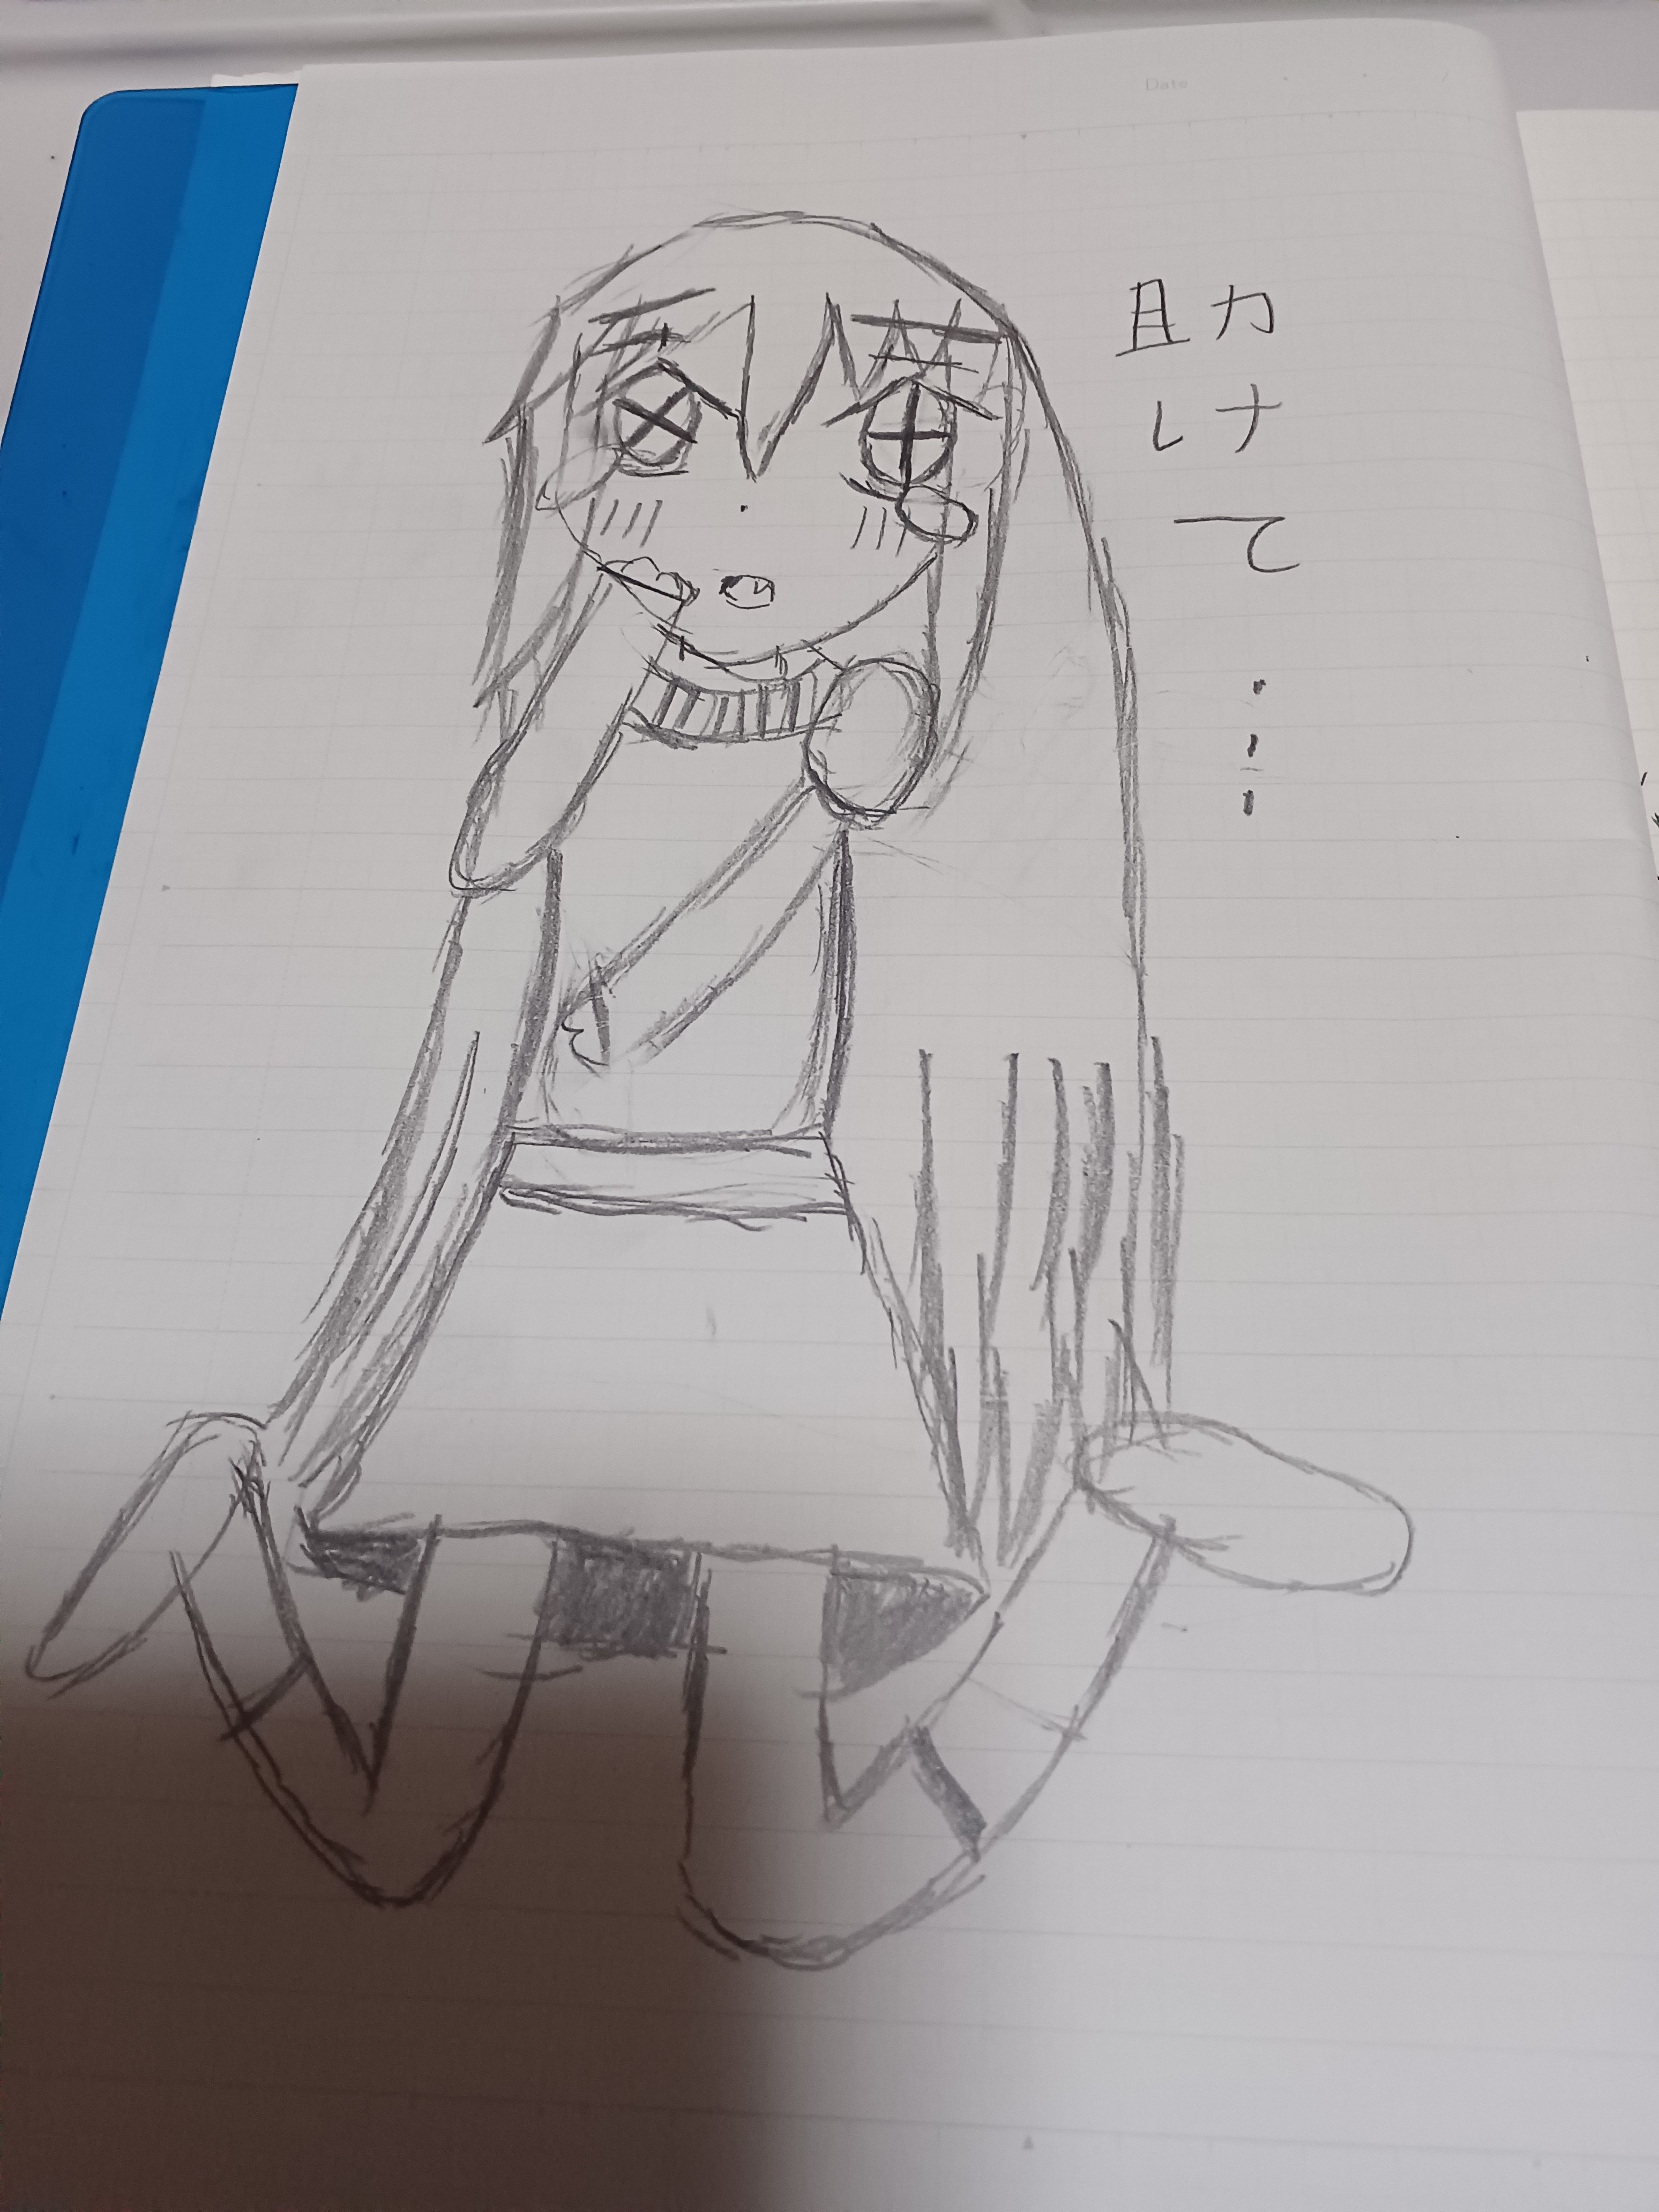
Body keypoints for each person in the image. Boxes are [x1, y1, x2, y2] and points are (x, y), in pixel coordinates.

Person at [28, 214, 1410, 1969]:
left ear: (940, 494)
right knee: (399, 1833)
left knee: (777, 1881)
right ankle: (214, 1521)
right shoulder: (592, 674)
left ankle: (1122, 1530)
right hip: (546, 1256)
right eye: (664, 437)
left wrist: (796, 656)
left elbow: (864, 771)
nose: (736, 526)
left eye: (871, 460)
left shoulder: (874, 691)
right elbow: (495, 844)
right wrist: (607, 660)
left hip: (769, 1266)